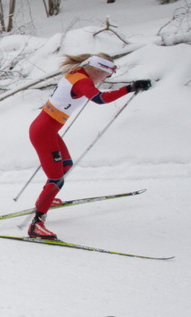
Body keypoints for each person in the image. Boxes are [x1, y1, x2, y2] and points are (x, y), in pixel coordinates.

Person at [27, 53, 151, 239]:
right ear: (96, 69)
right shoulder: (81, 81)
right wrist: (129, 88)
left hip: (48, 131)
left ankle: (46, 200)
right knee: (56, 178)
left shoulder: (77, 73)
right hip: (43, 133)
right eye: (106, 75)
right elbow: (100, 99)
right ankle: (36, 224)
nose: (106, 79)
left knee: (66, 167)